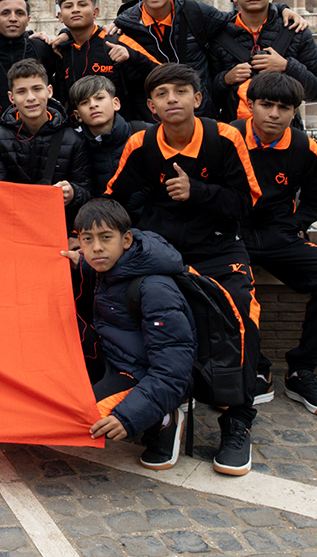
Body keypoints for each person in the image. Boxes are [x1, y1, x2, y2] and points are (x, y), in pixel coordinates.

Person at [106, 62, 262, 476]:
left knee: (239, 313)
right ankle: (164, 412)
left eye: (180, 91)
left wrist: (199, 192)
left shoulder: (225, 137)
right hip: (162, 252)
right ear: (152, 105)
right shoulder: (141, 143)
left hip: (217, 249)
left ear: (198, 98)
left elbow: (248, 203)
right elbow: (115, 201)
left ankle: (237, 418)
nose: (171, 99)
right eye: (161, 94)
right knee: (142, 316)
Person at [232, 72, 317, 416]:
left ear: (294, 111)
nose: (273, 114)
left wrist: (290, 226)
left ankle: (301, 370)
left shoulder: (304, 147)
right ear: (251, 105)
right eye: (266, 105)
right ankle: (256, 367)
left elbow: (315, 203)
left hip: (279, 235)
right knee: (231, 289)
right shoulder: (227, 137)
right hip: (233, 235)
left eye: (284, 107)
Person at [62, 199, 194, 471]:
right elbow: (104, 266)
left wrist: (127, 417)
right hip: (115, 360)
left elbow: (173, 371)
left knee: (84, 421)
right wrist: (80, 263)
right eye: (88, 240)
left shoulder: (156, 289)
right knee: (57, 387)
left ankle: (164, 420)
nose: (96, 247)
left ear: (126, 240)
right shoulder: (106, 267)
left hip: (149, 374)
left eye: (105, 237)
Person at [113, 0, 304, 123]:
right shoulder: (126, 26)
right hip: (151, 117)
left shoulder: (195, 12)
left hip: (199, 115)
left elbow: (235, 19)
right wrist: (114, 26)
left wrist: (280, 9)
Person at [209, 0, 317, 123]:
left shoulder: (296, 30)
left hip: (284, 132)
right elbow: (207, 93)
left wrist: (286, 66)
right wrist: (225, 80)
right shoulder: (218, 35)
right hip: (235, 133)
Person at [0, 59, 92, 228]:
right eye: (21, 91)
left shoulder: (73, 140)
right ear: (11, 98)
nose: (31, 98)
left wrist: (73, 193)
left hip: (58, 226)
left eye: (37, 89)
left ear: (49, 91)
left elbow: (88, 192)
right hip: (11, 224)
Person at [49, 0, 132, 113]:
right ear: (60, 16)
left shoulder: (116, 41)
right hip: (76, 128)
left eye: (82, 5)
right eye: (68, 6)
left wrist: (131, 56)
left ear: (95, 12)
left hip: (118, 126)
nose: (75, 10)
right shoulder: (62, 50)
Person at [0, 0, 53, 130]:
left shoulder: (42, 49)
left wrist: (65, 34)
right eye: (6, 13)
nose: (13, 18)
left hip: (39, 133)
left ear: (28, 20)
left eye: (19, 13)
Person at [69, 75, 151, 197]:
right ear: (77, 115)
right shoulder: (75, 146)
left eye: (99, 98)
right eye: (85, 102)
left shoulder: (145, 133)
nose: (93, 105)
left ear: (116, 103)